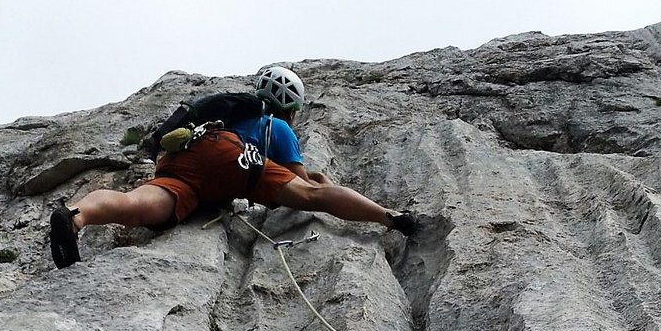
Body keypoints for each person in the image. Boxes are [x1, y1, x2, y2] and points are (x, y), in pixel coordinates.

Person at [49, 65, 416, 268]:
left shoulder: (231, 111)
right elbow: (303, 187)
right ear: (291, 108)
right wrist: (317, 180)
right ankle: (390, 217)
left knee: (137, 204)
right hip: (233, 158)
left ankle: (76, 216)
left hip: (185, 157)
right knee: (313, 194)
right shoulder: (278, 127)